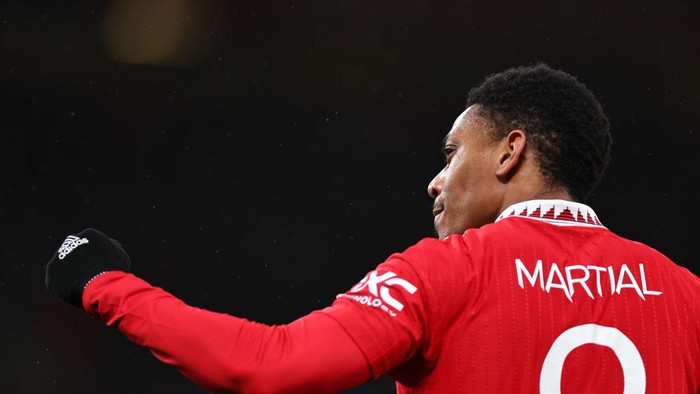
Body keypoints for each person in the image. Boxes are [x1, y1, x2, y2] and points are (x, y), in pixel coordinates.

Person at [45, 63, 700, 393]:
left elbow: (265, 365)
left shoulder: (448, 273)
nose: (436, 181)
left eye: (451, 154)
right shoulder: (687, 297)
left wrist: (105, 283)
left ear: (510, 152)